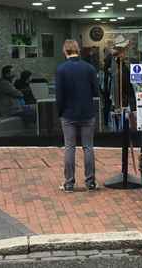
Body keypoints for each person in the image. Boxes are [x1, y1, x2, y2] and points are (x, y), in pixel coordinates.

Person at [55, 39, 100, 192]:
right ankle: (91, 182)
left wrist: (60, 112)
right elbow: (96, 91)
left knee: (70, 147)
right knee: (88, 147)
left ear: (65, 51)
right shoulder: (89, 68)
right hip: (87, 112)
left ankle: (69, 184)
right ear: (77, 50)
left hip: (68, 114)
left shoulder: (61, 69)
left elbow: (59, 95)